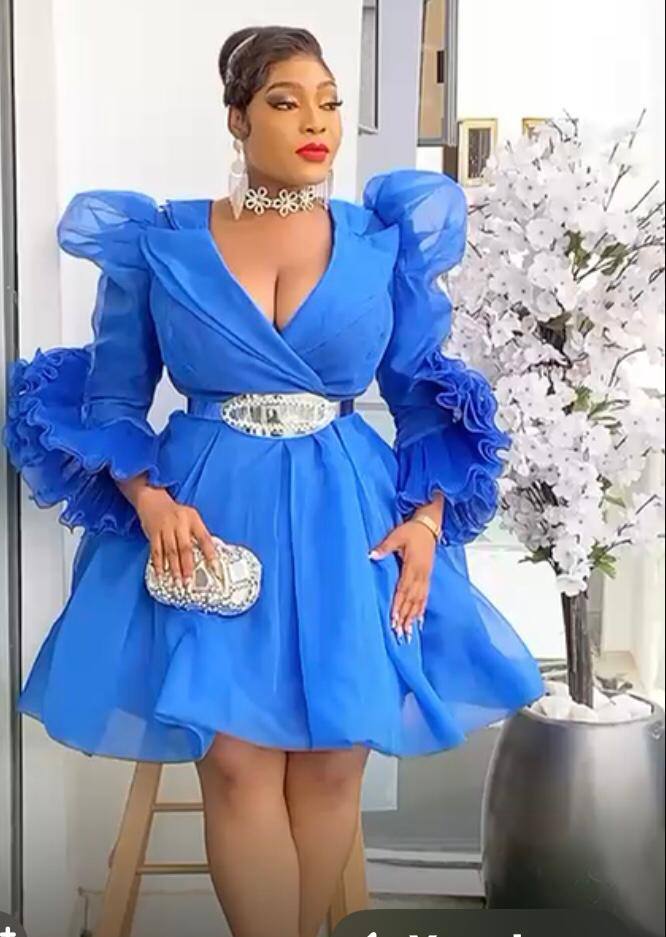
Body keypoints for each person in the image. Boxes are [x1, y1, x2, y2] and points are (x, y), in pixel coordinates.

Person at [3, 24, 545, 937]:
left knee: (334, 759)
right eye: (287, 103)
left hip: (349, 513)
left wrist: (427, 521)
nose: (316, 123)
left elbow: (424, 396)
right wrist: (149, 498)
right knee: (236, 760)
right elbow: (112, 398)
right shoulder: (160, 242)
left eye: (329, 103)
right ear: (237, 118)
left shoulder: (382, 242)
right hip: (211, 512)